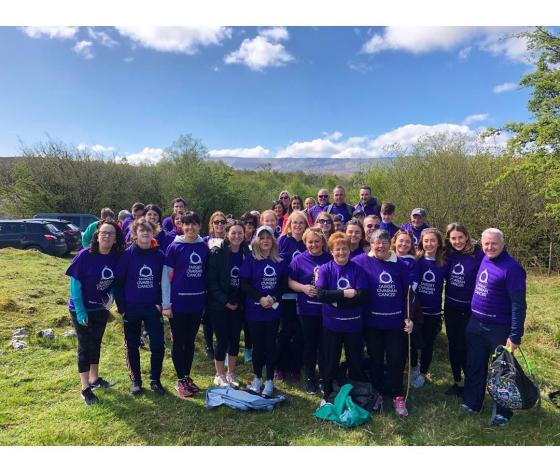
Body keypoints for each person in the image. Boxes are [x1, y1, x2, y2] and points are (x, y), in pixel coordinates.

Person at [462, 228, 527, 426]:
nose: (490, 247)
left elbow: (518, 305)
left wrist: (515, 336)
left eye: (494, 243)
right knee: (474, 365)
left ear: (503, 243)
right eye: (486, 244)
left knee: (502, 371)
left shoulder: (512, 268)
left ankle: (503, 411)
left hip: (499, 328)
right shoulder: (484, 259)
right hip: (476, 323)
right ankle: (473, 403)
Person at [354, 229, 414, 417]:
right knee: (376, 360)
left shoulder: (400, 264)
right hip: (371, 323)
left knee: (396, 359)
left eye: (384, 242)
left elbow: (409, 294)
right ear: (370, 244)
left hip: (395, 323)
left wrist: (409, 317)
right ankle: (377, 393)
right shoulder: (360, 261)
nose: (380, 246)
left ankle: (398, 395)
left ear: (390, 244)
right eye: (376, 243)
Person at [65, 220, 125, 405]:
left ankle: (94, 378)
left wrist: (111, 298)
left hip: (101, 309)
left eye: (110, 233)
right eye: (103, 233)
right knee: (85, 347)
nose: (106, 236)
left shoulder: (116, 257)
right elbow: (74, 284)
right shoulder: (84, 255)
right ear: (97, 236)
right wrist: (80, 310)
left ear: (115, 239)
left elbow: (115, 282)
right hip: (82, 309)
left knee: (96, 342)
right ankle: (85, 389)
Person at [114, 217, 166, 396]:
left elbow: (165, 282)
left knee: (158, 345)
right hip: (131, 308)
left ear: (153, 233)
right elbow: (118, 283)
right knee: (132, 345)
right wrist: (122, 308)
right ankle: (136, 380)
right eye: (141, 230)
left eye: (148, 230)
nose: (145, 233)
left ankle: (155, 380)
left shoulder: (160, 255)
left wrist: (160, 303)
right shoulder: (127, 255)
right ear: (135, 233)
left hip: (152, 308)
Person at [162, 212, 209, 398]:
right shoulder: (174, 247)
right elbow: (166, 278)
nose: (190, 228)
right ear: (181, 226)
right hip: (178, 304)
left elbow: (205, 275)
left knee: (190, 342)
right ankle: (180, 379)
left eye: (194, 224)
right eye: (186, 224)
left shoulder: (203, 247)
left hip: (196, 303)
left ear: (199, 226)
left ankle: (187, 377)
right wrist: (166, 304)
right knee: (179, 341)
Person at [315, 232, 368, 399]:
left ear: (349, 250)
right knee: (330, 360)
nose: (341, 252)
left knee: (355, 360)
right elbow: (321, 294)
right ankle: (328, 392)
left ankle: (358, 393)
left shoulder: (357, 269)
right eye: (337, 249)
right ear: (331, 251)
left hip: (353, 325)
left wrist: (336, 301)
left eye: (344, 249)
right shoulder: (325, 269)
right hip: (332, 325)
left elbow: (362, 296)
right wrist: (344, 293)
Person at [240, 226, 288, 397]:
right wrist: (260, 298)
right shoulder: (250, 259)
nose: (265, 241)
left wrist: (273, 298)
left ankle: (269, 380)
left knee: (270, 345)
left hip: (272, 310)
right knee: (258, 345)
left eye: (268, 238)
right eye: (262, 238)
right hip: (255, 309)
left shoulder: (280, 260)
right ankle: (258, 378)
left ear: (273, 241)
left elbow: (283, 285)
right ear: (257, 241)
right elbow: (244, 284)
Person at [206, 220, 250, 388]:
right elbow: (211, 281)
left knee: (234, 339)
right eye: (233, 233)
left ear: (244, 234)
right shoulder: (217, 253)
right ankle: (219, 374)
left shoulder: (247, 252)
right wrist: (225, 301)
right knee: (222, 339)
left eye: (240, 233)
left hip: (238, 303)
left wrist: (239, 300)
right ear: (226, 234)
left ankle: (231, 373)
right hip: (219, 304)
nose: (237, 236)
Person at [288, 227, 332, 394]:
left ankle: (324, 377)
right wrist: (303, 288)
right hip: (307, 309)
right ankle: (310, 378)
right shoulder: (299, 260)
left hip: (326, 310)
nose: (314, 245)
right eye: (310, 242)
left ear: (323, 242)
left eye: (317, 241)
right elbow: (289, 281)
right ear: (305, 243)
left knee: (324, 345)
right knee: (309, 345)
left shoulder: (330, 258)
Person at [443, 223, 484, 396]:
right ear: (449, 239)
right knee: (453, 345)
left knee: (464, 347)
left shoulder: (479, 254)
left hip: (469, 309)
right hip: (451, 307)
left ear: (467, 236)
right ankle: (457, 382)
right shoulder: (448, 254)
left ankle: (471, 383)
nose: (457, 241)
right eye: (453, 238)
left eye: (460, 237)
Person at [410, 228, 448, 389]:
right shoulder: (416, 260)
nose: (429, 244)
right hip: (415, 310)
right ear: (421, 243)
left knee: (428, 344)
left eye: (433, 241)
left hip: (433, 311)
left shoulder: (444, 262)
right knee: (412, 343)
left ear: (439, 243)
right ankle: (413, 367)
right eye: (426, 241)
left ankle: (423, 373)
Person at [275, 211, 309, 382]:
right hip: (285, 294)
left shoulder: (308, 241)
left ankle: (295, 368)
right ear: (289, 224)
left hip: (303, 294)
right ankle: (279, 367)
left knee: (299, 333)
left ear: (306, 225)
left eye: (301, 223)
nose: (297, 226)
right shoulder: (282, 240)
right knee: (283, 332)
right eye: (294, 222)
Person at [202, 211, 228, 360]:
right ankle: (209, 345)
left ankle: (222, 343)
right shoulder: (205, 241)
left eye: (222, 222)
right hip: (207, 283)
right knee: (208, 316)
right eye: (216, 222)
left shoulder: (229, 240)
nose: (219, 224)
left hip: (223, 283)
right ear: (211, 224)